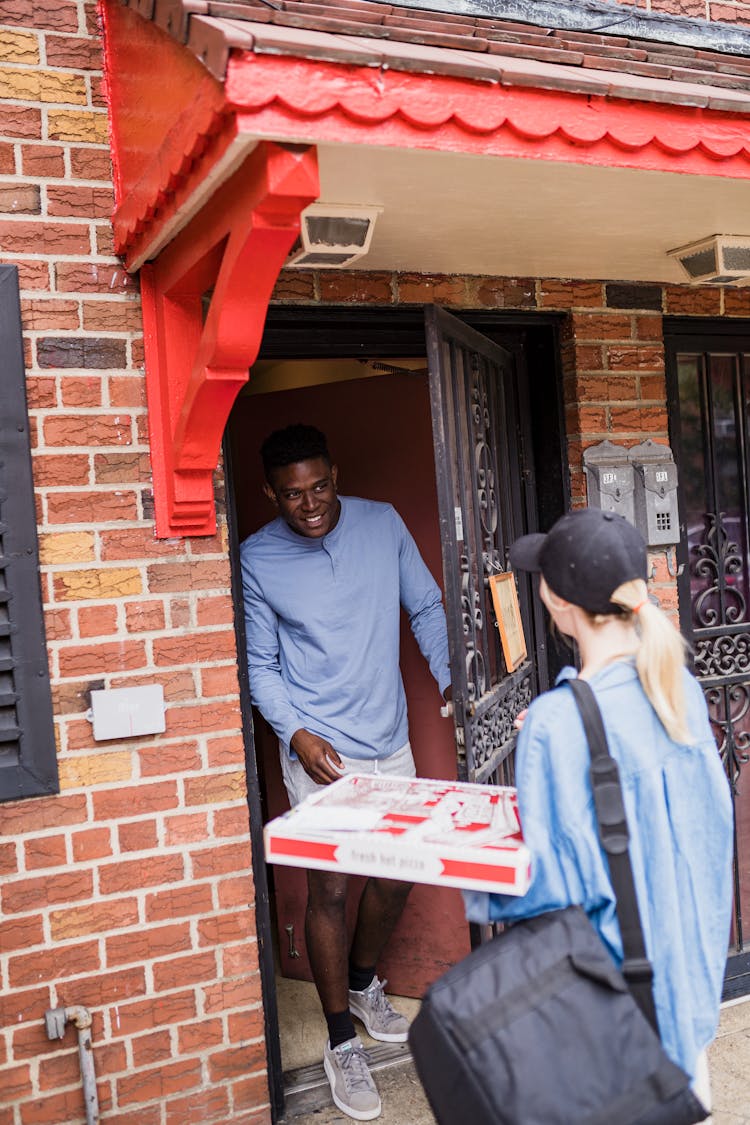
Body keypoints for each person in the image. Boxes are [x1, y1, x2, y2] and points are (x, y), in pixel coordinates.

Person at [463, 507, 733, 1114]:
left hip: (613, 1017)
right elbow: (709, 840)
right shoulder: (677, 686)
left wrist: (461, 862)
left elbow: (550, 889)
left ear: (557, 603)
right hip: (684, 998)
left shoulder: (558, 725)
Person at [240, 423, 451, 1122]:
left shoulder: (381, 523)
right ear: (273, 493)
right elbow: (262, 666)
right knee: (330, 890)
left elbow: (423, 604)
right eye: (293, 494)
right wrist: (295, 733)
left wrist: (454, 676)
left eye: (320, 485)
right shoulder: (256, 558)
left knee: (397, 871)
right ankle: (338, 1040)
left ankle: (363, 984)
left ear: (336, 470)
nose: (311, 504)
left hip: (389, 737)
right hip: (319, 752)